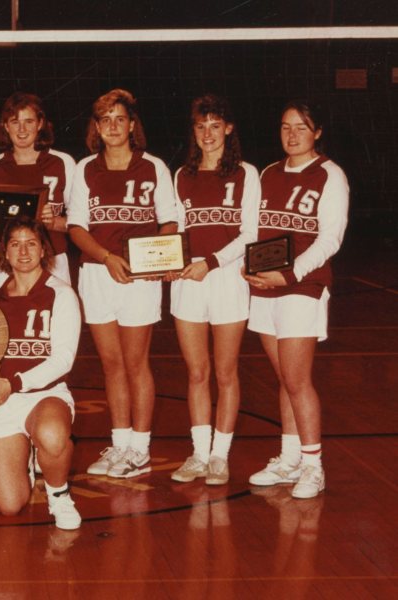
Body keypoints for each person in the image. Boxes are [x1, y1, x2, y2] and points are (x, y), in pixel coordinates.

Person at [67, 89, 180, 479]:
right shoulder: (85, 168)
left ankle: (140, 449)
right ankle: (119, 445)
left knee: (135, 364)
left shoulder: (153, 167)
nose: (113, 126)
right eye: (105, 120)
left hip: (139, 279)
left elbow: (169, 221)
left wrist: (154, 259)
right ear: (96, 128)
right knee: (111, 365)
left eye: (120, 119)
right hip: (98, 274)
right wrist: (106, 257)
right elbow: (76, 226)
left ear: (132, 125)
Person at [244, 100, 348, 499]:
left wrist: (289, 274)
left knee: (298, 379)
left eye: (301, 128)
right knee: (283, 379)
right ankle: (289, 460)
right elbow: (255, 231)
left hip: (302, 288)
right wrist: (249, 268)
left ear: (317, 132)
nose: (292, 135)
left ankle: (312, 466)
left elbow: (330, 239)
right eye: (286, 127)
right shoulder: (269, 173)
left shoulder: (330, 175)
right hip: (265, 287)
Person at [169, 95, 260, 485]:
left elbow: (251, 233)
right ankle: (198, 454)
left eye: (215, 125)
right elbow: (175, 229)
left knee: (225, 372)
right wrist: (168, 262)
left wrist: (213, 262)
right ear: (194, 131)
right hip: (189, 282)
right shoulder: (181, 175)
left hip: (227, 279)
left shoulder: (246, 173)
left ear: (228, 128)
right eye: (200, 126)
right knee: (197, 372)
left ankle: (219, 456)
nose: (207, 134)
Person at [0, 216, 82, 530]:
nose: (23, 251)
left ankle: (58, 492)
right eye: (15, 244)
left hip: (45, 396)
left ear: (43, 251)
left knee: (52, 436)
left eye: (31, 243)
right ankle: (24, 457)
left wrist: (13, 383)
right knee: (10, 506)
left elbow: (63, 360)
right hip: (3, 400)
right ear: (5, 254)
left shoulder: (61, 295)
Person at [0, 92, 76, 293]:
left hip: (53, 258)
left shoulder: (62, 163)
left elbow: (79, 221)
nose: (22, 129)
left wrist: (54, 222)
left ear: (40, 123)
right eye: (15, 122)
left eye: (29, 121)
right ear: (5, 126)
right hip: (4, 261)